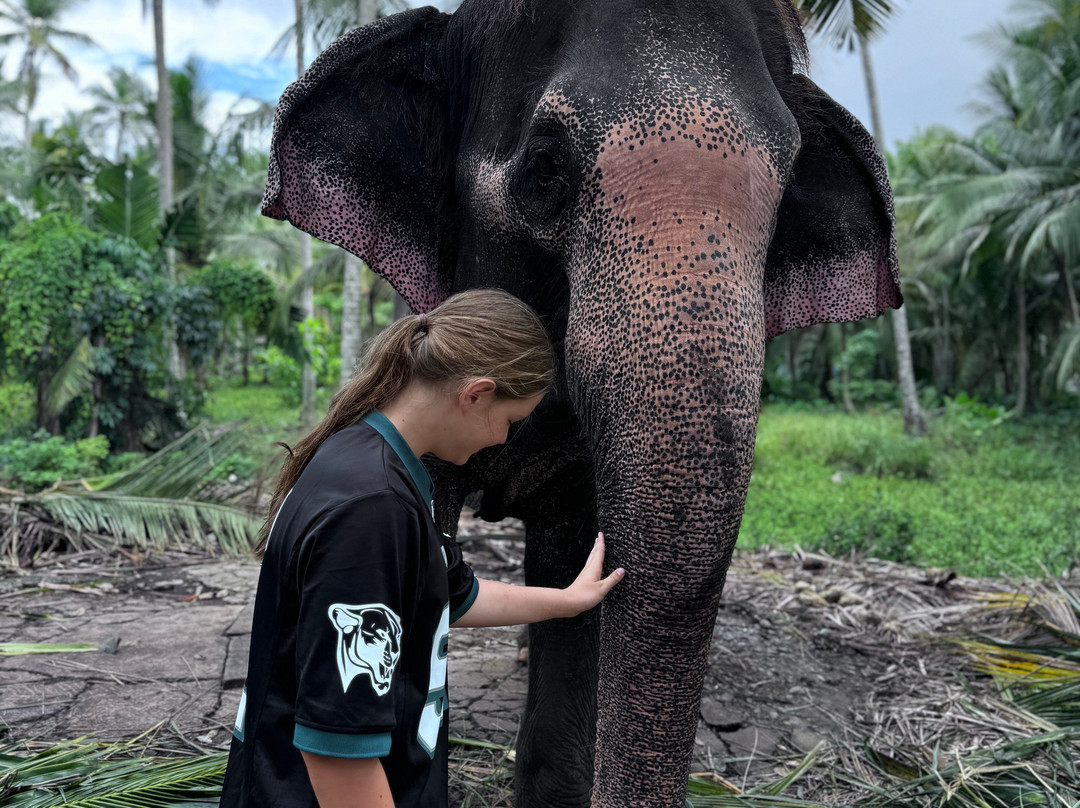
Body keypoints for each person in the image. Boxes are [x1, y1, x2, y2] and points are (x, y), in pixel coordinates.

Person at [219, 288, 625, 808]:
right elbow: (338, 752)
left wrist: (567, 600)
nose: (503, 439)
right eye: (510, 420)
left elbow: (449, 596)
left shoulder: (373, 458)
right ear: (475, 394)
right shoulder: (370, 510)